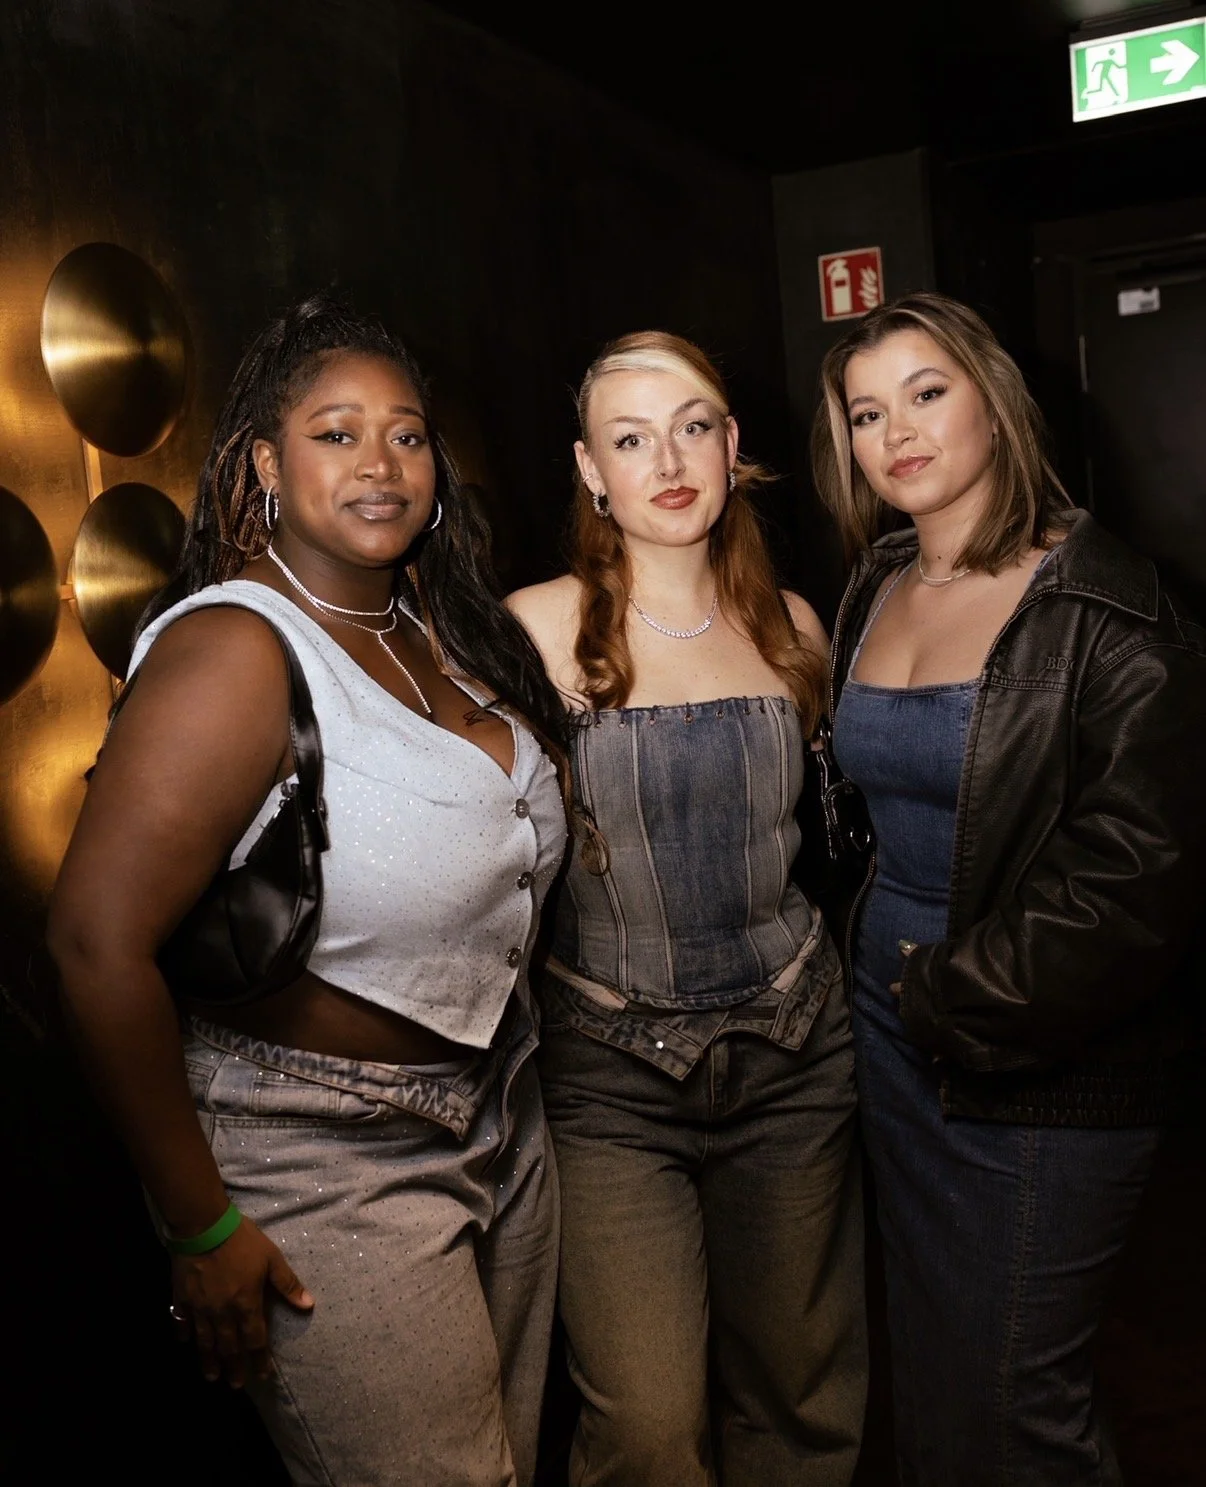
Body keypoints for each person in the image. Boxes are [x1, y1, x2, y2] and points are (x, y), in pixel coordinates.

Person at [48, 297, 570, 1487]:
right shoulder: (236, 647)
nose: (380, 463)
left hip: (503, 1114)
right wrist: (201, 1222)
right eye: (336, 434)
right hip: (325, 1149)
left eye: (406, 434)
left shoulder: (443, 629)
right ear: (264, 465)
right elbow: (91, 942)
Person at [811, 290, 1206, 1486]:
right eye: (867, 412)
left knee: (1020, 1393)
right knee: (932, 1363)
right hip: (893, 1033)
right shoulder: (873, 582)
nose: (899, 433)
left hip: (1038, 1051)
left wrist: (948, 991)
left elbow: (1139, 885)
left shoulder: (1111, 610)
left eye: (927, 393)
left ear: (994, 398)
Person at [508, 331, 867, 1487]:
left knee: (804, 1400)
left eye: (692, 425)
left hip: (794, 1056)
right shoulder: (534, 632)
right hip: (610, 1076)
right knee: (650, 1428)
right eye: (629, 437)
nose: (667, 458)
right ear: (588, 468)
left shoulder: (795, 628)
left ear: (731, 444)